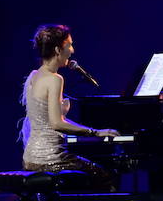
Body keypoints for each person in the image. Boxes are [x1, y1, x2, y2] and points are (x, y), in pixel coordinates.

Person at [19, 24, 119, 188]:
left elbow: (49, 121)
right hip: (50, 160)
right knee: (105, 178)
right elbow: (56, 124)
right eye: (69, 45)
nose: (72, 50)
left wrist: (62, 115)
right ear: (58, 50)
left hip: (29, 159)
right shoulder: (55, 79)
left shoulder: (34, 75)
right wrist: (95, 132)